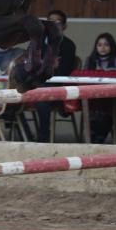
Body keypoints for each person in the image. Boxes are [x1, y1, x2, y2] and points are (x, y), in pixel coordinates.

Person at [34, 10, 77, 142]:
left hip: (57, 85)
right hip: (36, 83)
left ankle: (43, 137)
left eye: (57, 21)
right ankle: (23, 130)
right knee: (17, 93)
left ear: (64, 26)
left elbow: (64, 70)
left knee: (41, 100)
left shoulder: (69, 45)